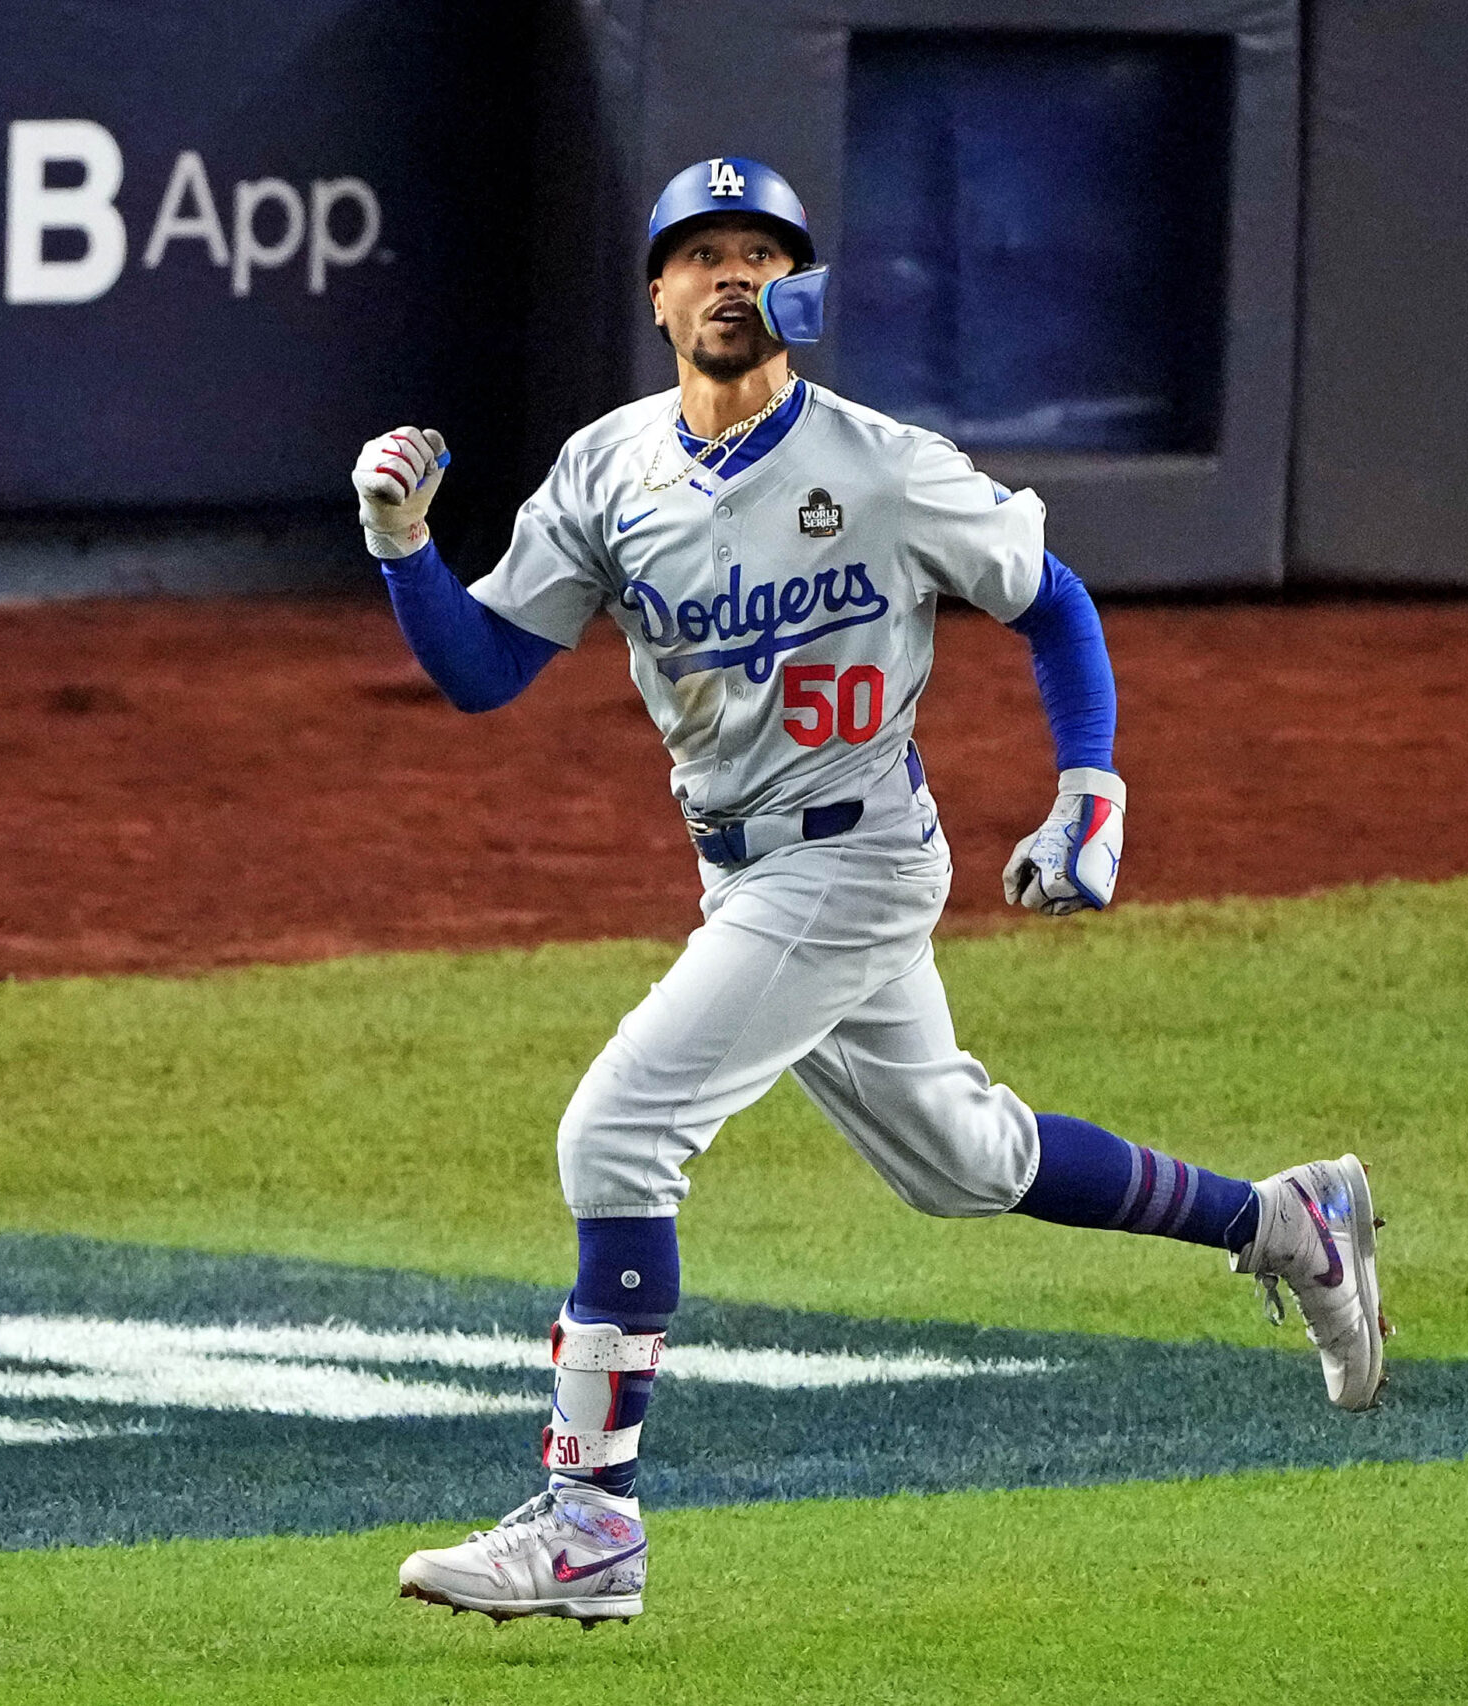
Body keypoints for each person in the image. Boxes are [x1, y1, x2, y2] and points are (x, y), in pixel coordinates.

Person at [356, 157, 1388, 1627]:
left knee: (618, 1133)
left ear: (798, 290)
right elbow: (482, 670)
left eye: (757, 253)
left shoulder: (879, 464)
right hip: (744, 871)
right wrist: (403, 547)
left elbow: (1053, 599)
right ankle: (1287, 1219)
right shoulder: (605, 472)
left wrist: (1090, 790)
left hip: (857, 860)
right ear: (657, 294)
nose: (729, 275)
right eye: (699, 254)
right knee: (965, 1160)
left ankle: (591, 1520)